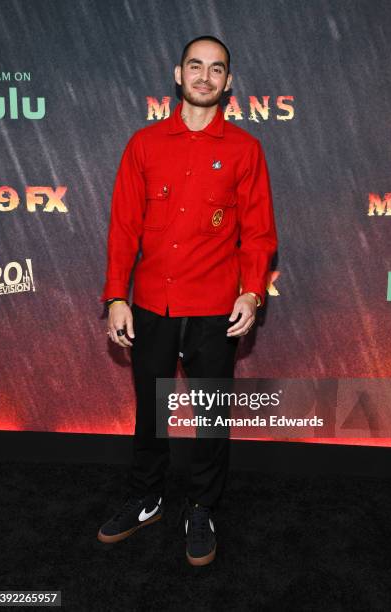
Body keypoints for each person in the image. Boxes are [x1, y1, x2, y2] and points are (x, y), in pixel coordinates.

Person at [97, 35, 278, 566]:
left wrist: (251, 291)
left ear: (228, 82)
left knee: (210, 416)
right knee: (150, 411)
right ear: (177, 74)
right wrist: (115, 296)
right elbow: (123, 228)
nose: (204, 77)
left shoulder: (245, 149)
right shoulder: (143, 144)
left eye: (215, 69)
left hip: (215, 308)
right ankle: (147, 498)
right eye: (195, 66)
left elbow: (260, 234)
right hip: (151, 302)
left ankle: (202, 505)